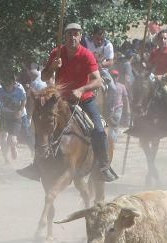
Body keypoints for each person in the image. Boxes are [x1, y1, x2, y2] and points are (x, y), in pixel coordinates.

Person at [17, 22, 118, 182]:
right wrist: (52, 67)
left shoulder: (87, 55)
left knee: (98, 128)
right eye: (69, 34)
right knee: (42, 123)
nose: (73, 37)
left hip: (84, 99)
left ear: (80, 36)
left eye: (76, 34)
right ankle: (37, 165)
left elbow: (98, 81)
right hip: (59, 99)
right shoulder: (57, 53)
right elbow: (44, 76)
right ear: (64, 36)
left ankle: (103, 166)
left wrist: (81, 90)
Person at [0, 74, 27, 163]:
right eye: (6, 83)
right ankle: (6, 158)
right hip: (3, 117)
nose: (8, 86)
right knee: (3, 138)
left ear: (13, 83)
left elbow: (24, 99)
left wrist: (20, 109)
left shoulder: (18, 91)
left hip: (15, 118)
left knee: (12, 140)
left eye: (10, 83)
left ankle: (13, 146)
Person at [107, 69, 131, 141]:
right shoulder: (107, 86)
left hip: (118, 108)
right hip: (109, 108)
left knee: (114, 124)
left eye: (116, 76)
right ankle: (113, 141)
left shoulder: (122, 86)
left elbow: (126, 98)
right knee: (111, 126)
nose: (114, 78)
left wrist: (128, 109)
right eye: (113, 76)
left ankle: (113, 141)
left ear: (118, 77)